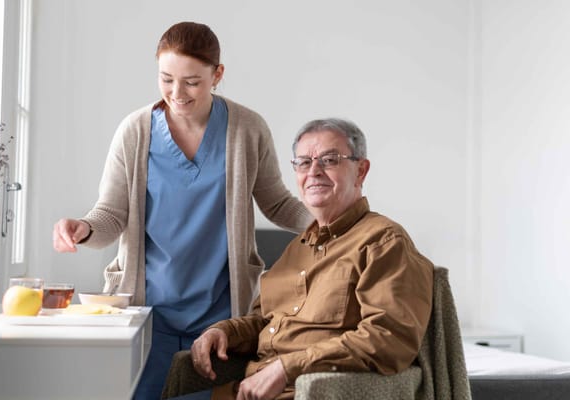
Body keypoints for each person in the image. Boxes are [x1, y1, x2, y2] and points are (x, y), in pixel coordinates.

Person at [51, 21, 311, 399]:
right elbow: (110, 215)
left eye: (192, 81)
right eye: (166, 78)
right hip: (147, 312)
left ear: (217, 75)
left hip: (219, 314)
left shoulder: (247, 129)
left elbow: (277, 203)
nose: (178, 92)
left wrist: (330, 223)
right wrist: (83, 228)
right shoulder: (135, 131)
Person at [184, 118, 434, 400]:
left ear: (360, 170)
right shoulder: (297, 248)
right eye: (303, 162)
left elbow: (389, 339)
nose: (314, 172)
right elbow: (266, 322)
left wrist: (286, 368)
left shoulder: (384, 242)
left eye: (329, 160)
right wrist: (224, 332)